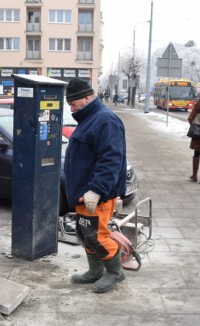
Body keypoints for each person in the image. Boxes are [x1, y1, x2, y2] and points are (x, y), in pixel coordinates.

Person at [64, 78, 127, 294]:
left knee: (97, 236)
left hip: (96, 195)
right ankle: (95, 270)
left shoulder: (105, 121)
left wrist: (96, 190)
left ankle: (115, 272)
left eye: (74, 104)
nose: (71, 108)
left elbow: (111, 159)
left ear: (87, 97)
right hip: (84, 194)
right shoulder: (90, 118)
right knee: (86, 234)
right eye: (69, 105)